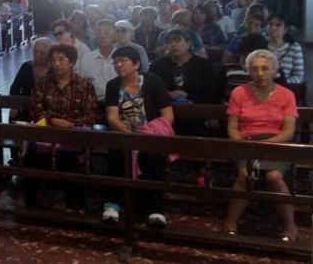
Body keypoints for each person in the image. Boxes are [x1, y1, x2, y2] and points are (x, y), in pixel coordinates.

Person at [223, 50, 299, 241]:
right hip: (246, 143)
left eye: (265, 68)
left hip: (276, 143)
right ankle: (230, 222)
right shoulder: (239, 93)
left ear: (275, 71)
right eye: (254, 69)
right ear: (248, 71)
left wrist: (266, 144)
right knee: (245, 175)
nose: (260, 73)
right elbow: (232, 127)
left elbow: (288, 132)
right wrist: (243, 145)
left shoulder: (287, 95)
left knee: (274, 176)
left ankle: (290, 226)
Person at [102, 46, 174, 229]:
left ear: (136, 63)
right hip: (124, 134)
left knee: (151, 157)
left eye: (123, 61)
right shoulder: (113, 85)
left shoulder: (153, 82)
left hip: (150, 135)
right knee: (117, 155)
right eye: (115, 61)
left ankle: (154, 209)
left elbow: (168, 115)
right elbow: (112, 117)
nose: (118, 65)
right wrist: (130, 135)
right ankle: (112, 205)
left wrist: (146, 133)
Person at [23, 43, 98, 209]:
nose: (57, 64)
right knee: (30, 159)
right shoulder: (43, 83)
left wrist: (69, 124)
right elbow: (36, 109)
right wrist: (53, 120)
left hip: (71, 135)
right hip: (47, 136)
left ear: (71, 62)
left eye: (61, 59)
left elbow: (90, 115)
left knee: (70, 161)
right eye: (53, 60)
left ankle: (75, 206)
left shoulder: (84, 85)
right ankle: (32, 207)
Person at [150, 29, 214, 137]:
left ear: (188, 44)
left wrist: (188, 95)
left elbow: (211, 92)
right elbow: (151, 88)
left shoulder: (203, 65)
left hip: (196, 113)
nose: (173, 44)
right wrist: (166, 94)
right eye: (170, 42)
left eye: (177, 41)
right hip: (165, 111)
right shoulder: (158, 65)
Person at [79, 19, 118, 101]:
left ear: (115, 35)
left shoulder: (122, 57)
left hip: (120, 102)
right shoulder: (87, 59)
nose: (102, 36)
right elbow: (81, 85)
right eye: (99, 32)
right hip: (95, 103)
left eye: (106, 32)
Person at [266, 14, 304, 85]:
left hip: (284, 88)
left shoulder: (294, 47)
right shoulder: (261, 44)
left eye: (278, 25)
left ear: (285, 29)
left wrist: (284, 82)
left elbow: (299, 76)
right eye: (271, 24)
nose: (273, 27)